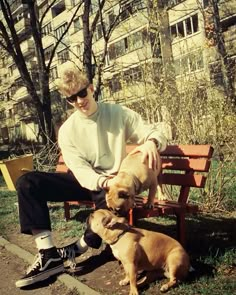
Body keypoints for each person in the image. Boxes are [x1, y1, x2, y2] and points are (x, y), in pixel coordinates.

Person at [15, 61, 167, 288]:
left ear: (91, 88)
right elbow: (80, 171)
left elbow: (154, 132)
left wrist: (152, 143)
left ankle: (80, 247)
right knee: (27, 182)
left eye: (81, 93)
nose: (79, 101)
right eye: (71, 99)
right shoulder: (67, 130)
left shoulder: (118, 113)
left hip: (115, 183)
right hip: (89, 180)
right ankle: (49, 256)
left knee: (107, 202)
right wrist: (104, 180)